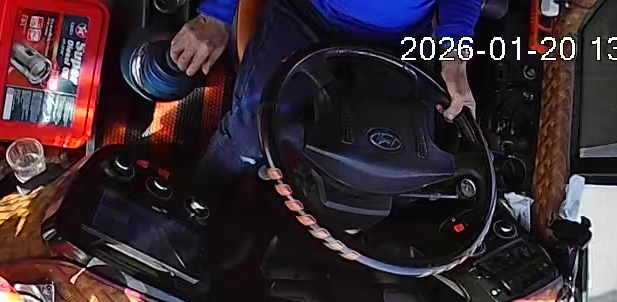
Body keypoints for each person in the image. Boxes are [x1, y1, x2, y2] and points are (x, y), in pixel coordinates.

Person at [174, 0, 481, 203]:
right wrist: (217, 14)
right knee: (251, 135)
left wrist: (455, 58)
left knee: (396, 170)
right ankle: (199, 210)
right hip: (305, 14)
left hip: (399, 41)